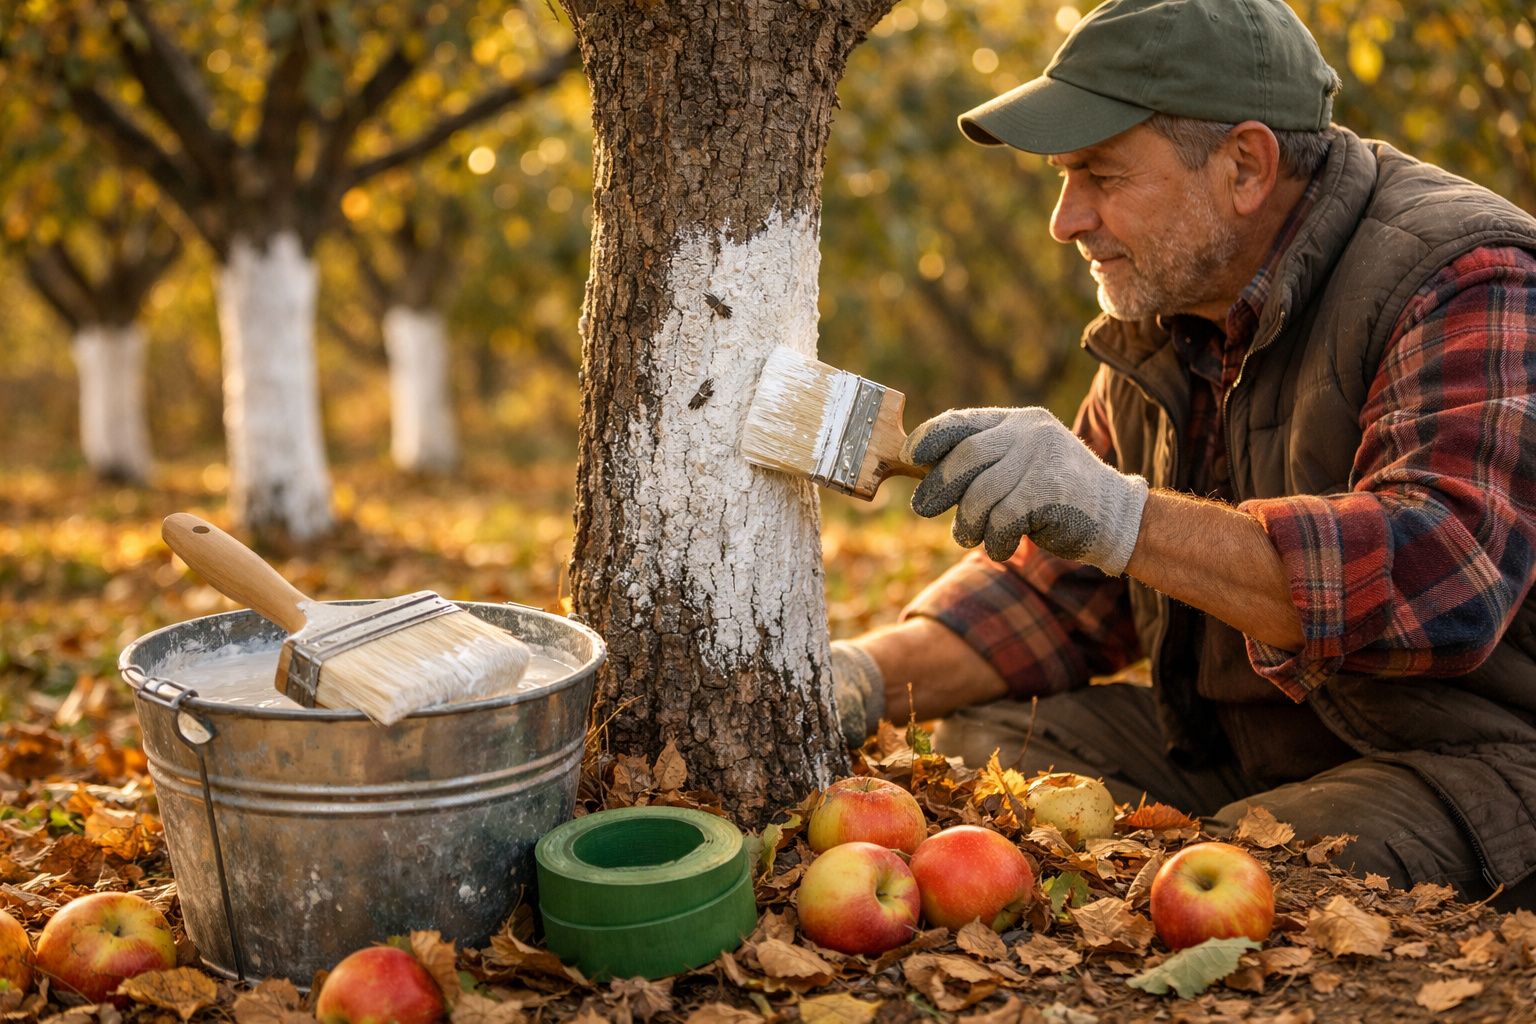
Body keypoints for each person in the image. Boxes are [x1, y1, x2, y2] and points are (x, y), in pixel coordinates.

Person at [831, 0, 1536, 909]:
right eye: (1062, 178)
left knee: (1247, 876)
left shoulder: (1466, 274)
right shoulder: (1168, 313)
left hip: (1474, 757)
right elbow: (1058, 597)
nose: (1065, 221)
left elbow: (1442, 572)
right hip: (1246, 749)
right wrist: (857, 676)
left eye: (1100, 175)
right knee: (975, 756)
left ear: (1245, 166)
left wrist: (1122, 515)